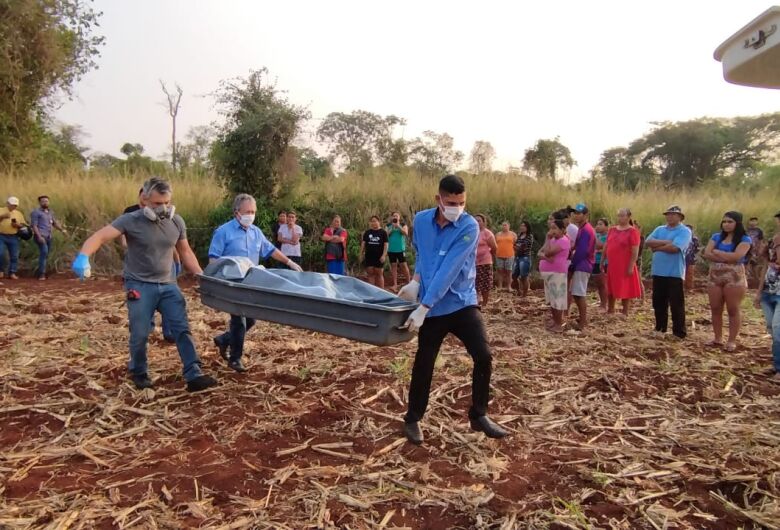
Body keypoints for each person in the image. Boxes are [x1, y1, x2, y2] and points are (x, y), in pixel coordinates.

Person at [71, 177, 218, 392]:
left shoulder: (176, 221)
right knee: (140, 333)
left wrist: (201, 276)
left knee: (181, 329)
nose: (163, 208)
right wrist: (83, 255)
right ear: (144, 199)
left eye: (167, 202)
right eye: (158, 203)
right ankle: (139, 371)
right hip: (139, 285)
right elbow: (100, 236)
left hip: (168, 284)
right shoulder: (130, 220)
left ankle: (193, 373)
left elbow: (185, 251)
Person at [397, 174, 506, 445]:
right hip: (433, 310)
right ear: (439, 199)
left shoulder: (469, 227)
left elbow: (449, 270)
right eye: (451, 202)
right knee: (425, 362)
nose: (457, 207)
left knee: (483, 355)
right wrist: (415, 280)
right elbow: (422, 254)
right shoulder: (422, 220)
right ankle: (413, 418)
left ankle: (478, 414)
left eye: (462, 202)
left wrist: (423, 306)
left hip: (460, 302)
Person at [210, 194, 303, 372]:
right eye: (248, 211)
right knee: (239, 321)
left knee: (251, 320)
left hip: (250, 282)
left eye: (253, 212)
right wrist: (217, 282)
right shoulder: (223, 232)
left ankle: (224, 340)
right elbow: (214, 259)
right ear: (237, 212)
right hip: (233, 283)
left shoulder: (255, 232)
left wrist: (289, 262)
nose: (251, 215)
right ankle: (235, 358)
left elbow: (271, 250)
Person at [702, 211, 752, 352]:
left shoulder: (744, 239)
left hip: (734, 276)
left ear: (737, 223)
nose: (726, 224)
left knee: (732, 308)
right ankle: (717, 338)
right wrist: (726, 256)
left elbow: (737, 256)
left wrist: (718, 253)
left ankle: (731, 340)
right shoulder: (716, 237)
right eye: (724, 221)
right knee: (716, 307)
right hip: (715, 275)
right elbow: (707, 253)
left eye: (730, 222)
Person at [645, 206, 692, 339]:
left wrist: (658, 248)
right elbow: (648, 242)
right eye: (668, 214)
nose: (670, 217)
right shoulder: (660, 229)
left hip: (674, 272)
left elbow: (675, 248)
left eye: (673, 214)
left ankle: (679, 332)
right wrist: (666, 242)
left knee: (676, 303)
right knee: (658, 301)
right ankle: (660, 328)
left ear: (680, 217)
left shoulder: (684, 231)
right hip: (659, 271)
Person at [755, 211, 780, 383]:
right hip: (768, 290)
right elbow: (765, 266)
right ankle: (776, 364)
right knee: (772, 328)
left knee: (778, 329)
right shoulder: (772, 241)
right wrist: (758, 291)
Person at [603, 208, 642, 315]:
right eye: (619, 215)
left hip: (624, 263)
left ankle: (625, 311)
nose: (620, 218)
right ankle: (610, 309)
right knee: (611, 286)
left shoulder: (633, 231)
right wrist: (602, 260)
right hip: (612, 263)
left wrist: (631, 266)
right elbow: (607, 245)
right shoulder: (612, 230)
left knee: (625, 286)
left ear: (628, 216)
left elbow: (635, 251)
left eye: (622, 215)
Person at [538, 218, 570, 332]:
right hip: (549, 273)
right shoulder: (552, 240)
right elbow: (540, 252)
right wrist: (546, 256)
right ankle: (555, 321)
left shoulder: (564, 241)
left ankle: (559, 324)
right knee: (552, 300)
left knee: (558, 300)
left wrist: (546, 254)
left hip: (558, 273)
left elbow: (547, 253)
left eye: (555, 228)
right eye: (551, 228)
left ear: (562, 229)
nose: (552, 231)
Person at [569, 203, 596, 330]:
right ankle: (582, 319)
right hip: (582, 263)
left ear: (586, 215)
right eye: (575, 213)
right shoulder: (583, 228)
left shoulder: (586, 230)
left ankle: (583, 322)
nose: (576, 215)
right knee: (577, 293)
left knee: (579, 294)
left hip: (583, 264)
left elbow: (582, 251)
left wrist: (573, 264)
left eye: (579, 213)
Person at [29, 195, 68, 280]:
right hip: (41, 236)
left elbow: (54, 223)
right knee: (44, 252)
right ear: (40, 202)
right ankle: (41, 274)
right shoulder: (36, 212)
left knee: (46, 255)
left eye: (46, 201)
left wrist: (62, 230)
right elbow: (34, 226)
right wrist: (39, 236)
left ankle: (42, 271)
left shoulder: (50, 212)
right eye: (43, 201)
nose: (45, 202)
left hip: (49, 236)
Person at [0, 196, 26, 280]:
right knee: (1, 253)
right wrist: (2, 217)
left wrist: (18, 225)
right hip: (1, 235)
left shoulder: (18, 213)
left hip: (13, 236)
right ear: (7, 203)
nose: (13, 206)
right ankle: (1, 270)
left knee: (14, 255)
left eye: (15, 205)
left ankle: (12, 272)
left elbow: (23, 225)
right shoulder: (1, 210)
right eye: (12, 205)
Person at [474, 214, 496, 307]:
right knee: (475, 283)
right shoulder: (471, 232)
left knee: (485, 284)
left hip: (485, 262)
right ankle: (476, 301)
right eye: (475, 220)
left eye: (479, 220)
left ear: (483, 222)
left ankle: (485, 303)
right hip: (473, 263)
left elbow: (494, 247)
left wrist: (490, 257)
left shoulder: (487, 233)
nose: (477, 222)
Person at [386, 212, 411, 290]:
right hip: (391, 249)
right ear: (391, 217)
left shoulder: (403, 225)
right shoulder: (388, 226)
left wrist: (398, 226)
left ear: (399, 217)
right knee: (393, 266)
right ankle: (395, 284)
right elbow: (386, 234)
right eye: (393, 216)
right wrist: (392, 228)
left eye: (396, 216)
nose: (395, 217)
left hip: (400, 249)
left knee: (403, 265)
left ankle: (408, 282)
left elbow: (405, 233)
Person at [361, 215, 388, 288]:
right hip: (369, 256)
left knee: (379, 274)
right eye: (372, 221)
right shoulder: (367, 232)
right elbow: (363, 243)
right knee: (370, 274)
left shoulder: (383, 232)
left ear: (378, 222)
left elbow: (386, 245)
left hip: (379, 256)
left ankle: (381, 292)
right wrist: (361, 253)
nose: (373, 223)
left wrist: (384, 255)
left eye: (375, 221)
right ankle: (372, 293)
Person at [512, 221, 534, 297]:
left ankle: (524, 294)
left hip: (525, 258)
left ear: (527, 227)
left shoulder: (529, 236)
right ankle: (518, 291)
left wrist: (517, 247)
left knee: (524, 276)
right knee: (514, 276)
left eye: (524, 226)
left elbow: (523, 247)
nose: (522, 227)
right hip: (518, 257)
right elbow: (515, 245)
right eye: (521, 226)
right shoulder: (520, 235)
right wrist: (517, 247)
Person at [494, 221, 517, 291]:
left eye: (505, 225)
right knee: (500, 271)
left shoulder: (513, 234)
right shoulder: (497, 234)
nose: (504, 226)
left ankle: (509, 287)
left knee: (509, 271)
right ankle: (500, 286)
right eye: (503, 225)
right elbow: (494, 243)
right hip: (499, 255)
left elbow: (516, 244)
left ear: (509, 226)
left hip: (510, 255)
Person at [592, 218, 609, 310]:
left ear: (606, 227)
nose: (597, 226)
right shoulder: (597, 235)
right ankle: (602, 301)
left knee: (603, 284)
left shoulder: (608, 236)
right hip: (594, 261)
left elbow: (603, 247)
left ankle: (604, 304)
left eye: (601, 224)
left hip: (603, 262)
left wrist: (599, 249)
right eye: (597, 224)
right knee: (598, 284)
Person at [747, 216, 768, 285]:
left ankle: (757, 279)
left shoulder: (759, 230)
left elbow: (761, 240)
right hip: (747, 249)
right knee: (749, 263)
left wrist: (759, 249)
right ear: (749, 222)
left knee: (755, 263)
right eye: (751, 221)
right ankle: (751, 278)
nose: (753, 222)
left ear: (757, 222)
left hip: (755, 249)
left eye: (755, 221)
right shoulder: (747, 230)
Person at [684, 224, 700, 292]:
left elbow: (696, 249)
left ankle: (689, 288)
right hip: (682, 258)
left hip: (691, 258)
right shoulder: (681, 238)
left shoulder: (694, 239)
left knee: (690, 274)